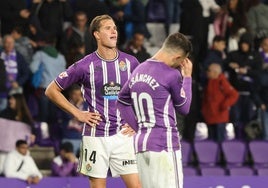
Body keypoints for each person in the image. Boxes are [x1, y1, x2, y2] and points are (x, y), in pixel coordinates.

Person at [45, 14, 141, 188]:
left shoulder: (131, 62)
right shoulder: (85, 65)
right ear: (96, 34)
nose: (114, 31)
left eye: (115, 28)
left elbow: (143, 94)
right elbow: (51, 90)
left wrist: (136, 121)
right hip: (96, 137)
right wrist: (77, 113)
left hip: (123, 136)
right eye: (108, 28)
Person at [117, 32, 193, 188]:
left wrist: (138, 128)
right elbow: (184, 108)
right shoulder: (171, 74)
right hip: (164, 144)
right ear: (178, 57)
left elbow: (121, 101)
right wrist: (187, 78)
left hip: (141, 144)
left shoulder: (139, 69)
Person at [201, 63, 239, 142]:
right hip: (210, 116)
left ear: (215, 72)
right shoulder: (208, 82)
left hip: (220, 117)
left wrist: (224, 105)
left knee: (220, 141)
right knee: (211, 142)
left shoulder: (222, 82)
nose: (207, 72)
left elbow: (234, 95)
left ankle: (221, 154)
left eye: (209, 71)